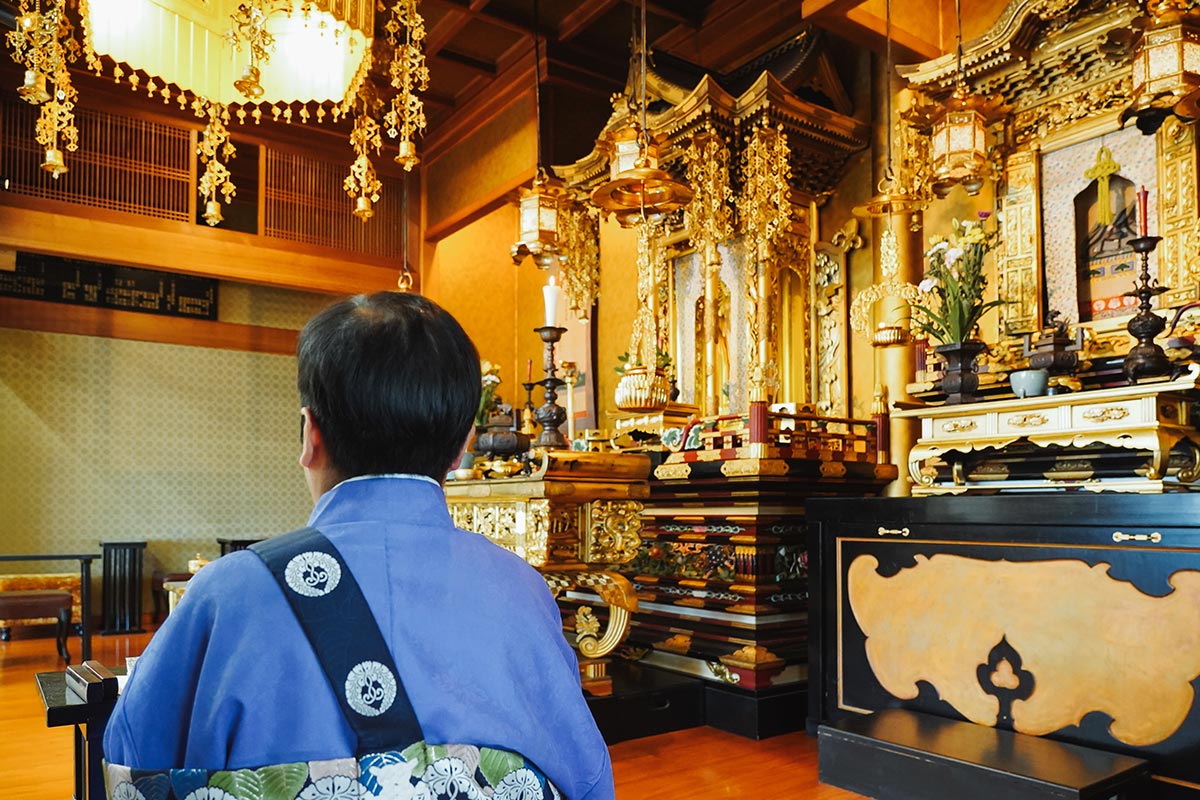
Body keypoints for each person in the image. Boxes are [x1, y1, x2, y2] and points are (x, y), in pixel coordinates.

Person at [103, 292, 614, 800]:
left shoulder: (226, 592)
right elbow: (588, 778)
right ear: (464, 446)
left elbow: (130, 758)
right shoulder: (521, 589)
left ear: (310, 435)